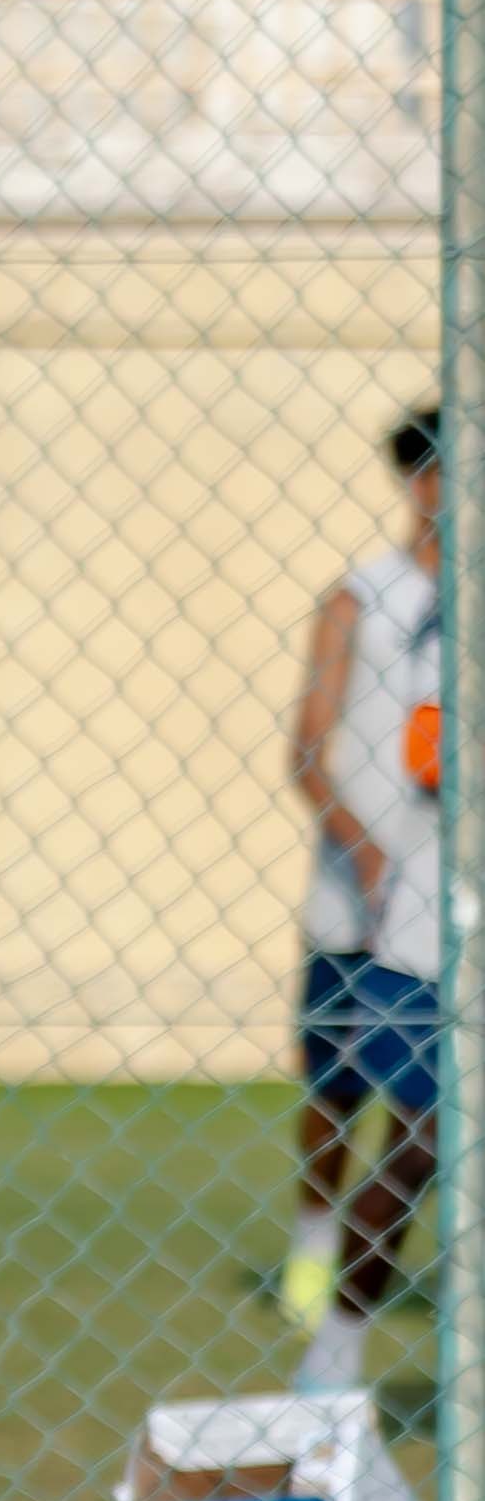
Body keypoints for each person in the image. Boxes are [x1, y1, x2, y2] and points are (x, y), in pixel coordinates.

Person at [284, 404, 445, 1396]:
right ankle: (323, 1273)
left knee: (421, 1126)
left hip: (437, 894)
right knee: (354, 1093)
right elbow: (314, 745)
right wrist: (367, 849)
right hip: (375, 896)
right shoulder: (367, 600)